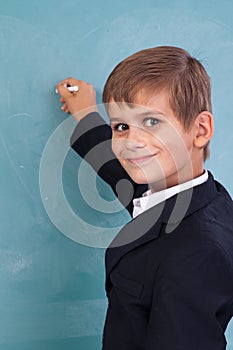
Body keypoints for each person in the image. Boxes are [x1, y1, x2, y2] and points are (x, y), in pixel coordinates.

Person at [56, 46, 233, 350]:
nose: (131, 143)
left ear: (200, 129)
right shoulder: (192, 194)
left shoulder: (195, 254)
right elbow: (120, 173)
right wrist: (85, 115)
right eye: (121, 126)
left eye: (151, 122)